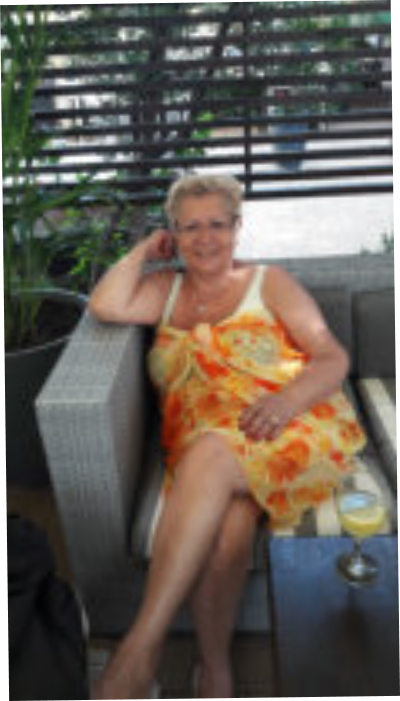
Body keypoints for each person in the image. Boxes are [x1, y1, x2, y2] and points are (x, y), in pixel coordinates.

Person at [89, 173, 366, 700]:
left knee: (215, 456)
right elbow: (104, 304)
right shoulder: (165, 291)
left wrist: (286, 401)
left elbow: (332, 357)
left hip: (283, 425)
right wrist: (145, 250)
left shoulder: (269, 283)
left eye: (217, 224)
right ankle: (214, 668)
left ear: (237, 228)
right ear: (173, 234)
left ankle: (138, 653)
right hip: (202, 444)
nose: (205, 238)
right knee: (230, 530)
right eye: (189, 227)